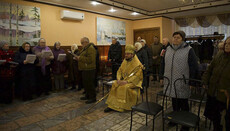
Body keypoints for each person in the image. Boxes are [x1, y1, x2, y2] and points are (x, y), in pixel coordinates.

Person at [160, 31, 199, 131]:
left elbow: (194, 67)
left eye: (178, 37)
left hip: (182, 81)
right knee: (174, 101)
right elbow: (162, 64)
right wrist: (161, 77)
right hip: (170, 80)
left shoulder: (189, 50)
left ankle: (185, 124)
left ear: (183, 39)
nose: (175, 39)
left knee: (183, 103)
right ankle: (174, 119)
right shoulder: (168, 49)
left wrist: (192, 82)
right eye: (174, 37)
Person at [104, 45, 143, 112]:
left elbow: (137, 76)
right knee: (115, 84)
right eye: (125, 54)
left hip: (133, 83)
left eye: (128, 54)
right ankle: (112, 105)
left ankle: (122, 107)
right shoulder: (125, 61)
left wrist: (126, 82)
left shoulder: (137, 64)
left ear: (132, 54)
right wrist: (118, 79)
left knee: (124, 87)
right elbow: (119, 70)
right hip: (123, 80)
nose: (126, 55)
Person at [203, 36, 230, 131]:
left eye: (229, 44)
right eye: (226, 43)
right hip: (213, 91)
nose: (227, 45)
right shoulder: (219, 54)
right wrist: (205, 81)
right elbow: (209, 69)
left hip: (225, 96)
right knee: (214, 116)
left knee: (225, 119)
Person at [75, 37, 96, 104]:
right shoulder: (85, 48)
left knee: (90, 84)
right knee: (86, 84)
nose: (81, 44)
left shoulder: (91, 49)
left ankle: (92, 98)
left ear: (86, 42)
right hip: (85, 68)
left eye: (82, 43)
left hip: (90, 69)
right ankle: (87, 95)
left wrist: (80, 58)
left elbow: (90, 60)